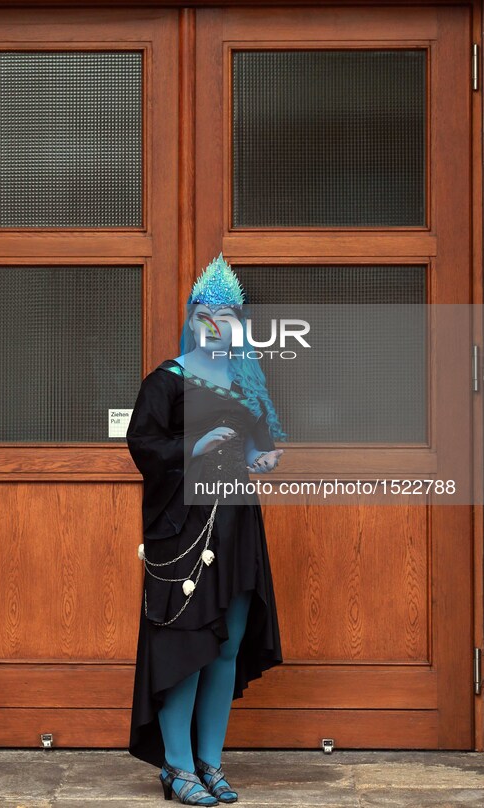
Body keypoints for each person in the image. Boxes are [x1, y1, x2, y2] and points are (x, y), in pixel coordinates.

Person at [126, 253, 286, 805]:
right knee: (186, 644)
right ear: (193, 320)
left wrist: (263, 459)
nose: (215, 325)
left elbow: (258, 446)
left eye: (227, 316)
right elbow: (143, 446)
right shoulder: (166, 382)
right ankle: (176, 766)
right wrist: (192, 446)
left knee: (226, 645)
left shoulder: (247, 382)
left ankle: (210, 763)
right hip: (183, 530)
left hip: (237, 524)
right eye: (205, 315)